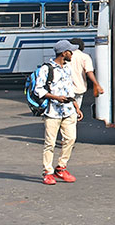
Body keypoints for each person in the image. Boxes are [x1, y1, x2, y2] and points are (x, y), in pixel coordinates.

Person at [34, 40, 82, 185]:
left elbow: (69, 89)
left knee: (70, 139)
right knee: (50, 143)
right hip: (52, 111)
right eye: (70, 51)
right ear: (63, 53)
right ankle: (47, 172)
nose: (72, 54)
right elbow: (39, 90)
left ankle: (61, 167)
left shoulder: (67, 68)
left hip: (68, 111)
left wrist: (76, 106)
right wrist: (56, 98)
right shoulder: (46, 69)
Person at [68, 38, 103, 116]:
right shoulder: (85, 57)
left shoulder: (66, 56)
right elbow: (89, 72)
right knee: (75, 112)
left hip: (66, 89)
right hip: (79, 88)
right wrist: (97, 85)